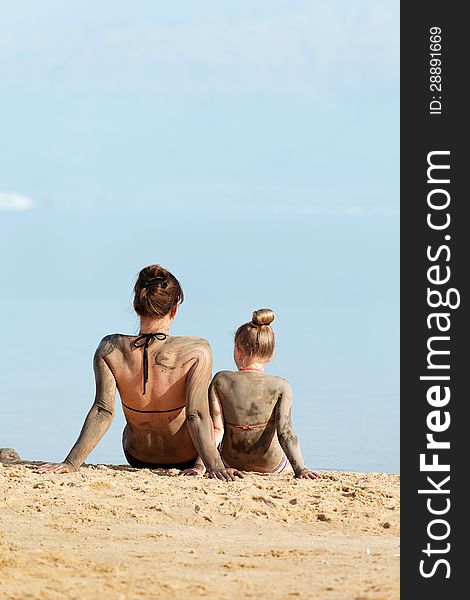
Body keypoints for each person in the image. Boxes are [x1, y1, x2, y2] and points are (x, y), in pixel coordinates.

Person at [37, 265, 242, 481]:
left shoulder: (109, 349)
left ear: (136, 307)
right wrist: (215, 466)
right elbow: (197, 415)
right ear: (174, 310)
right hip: (187, 456)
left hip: (137, 455)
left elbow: (103, 412)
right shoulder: (196, 350)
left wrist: (70, 463)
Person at [208, 309, 319, 479]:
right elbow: (286, 433)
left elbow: (217, 430)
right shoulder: (281, 386)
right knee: (284, 459)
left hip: (231, 463)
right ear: (271, 355)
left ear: (237, 350)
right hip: (271, 466)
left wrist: (201, 466)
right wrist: (301, 469)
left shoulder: (221, 380)